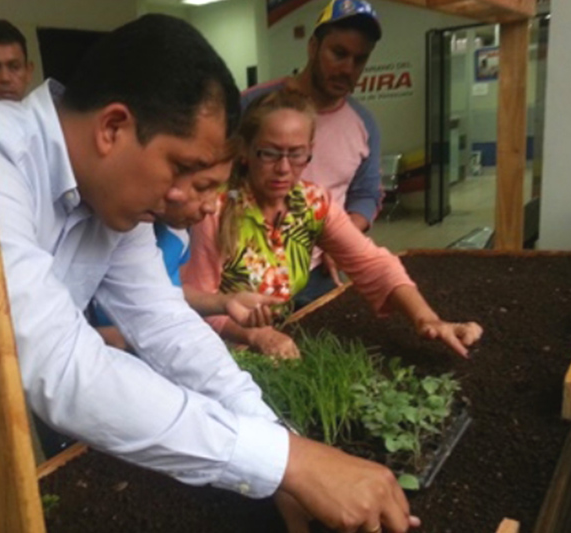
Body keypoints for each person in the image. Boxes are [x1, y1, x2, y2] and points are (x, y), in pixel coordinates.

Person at [0, 14, 419, 533]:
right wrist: (285, 463)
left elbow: (168, 327)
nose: (186, 203)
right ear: (114, 126)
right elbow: (61, 366)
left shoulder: (111, 208)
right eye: (182, 169)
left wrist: (282, 444)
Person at [183, 88, 483, 362]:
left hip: (278, 343)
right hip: (219, 353)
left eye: (296, 153)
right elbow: (198, 303)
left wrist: (427, 319)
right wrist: (254, 335)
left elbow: (372, 263)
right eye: (269, 153)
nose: (284, 168)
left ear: (310, 150)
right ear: (246, 151)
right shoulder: (216, 210)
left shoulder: (312, 203)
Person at [242, 0, 384, 309]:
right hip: (245, 276)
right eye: (339, 53)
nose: (348, 68)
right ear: (313, 46)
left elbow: (367, 194)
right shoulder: (252, 105)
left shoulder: (365, 124)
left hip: (320, 276)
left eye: (360, 60)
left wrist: (342, 236)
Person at [92, 156, 282, 351]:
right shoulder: (109, 227)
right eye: (201, 187)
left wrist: (225, 302)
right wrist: (120, 337)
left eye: (217, 190)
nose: (211, 206)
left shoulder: (179, 233)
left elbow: (169, 292)